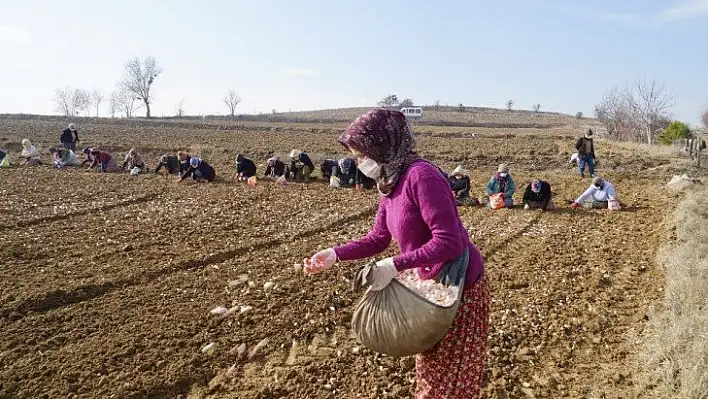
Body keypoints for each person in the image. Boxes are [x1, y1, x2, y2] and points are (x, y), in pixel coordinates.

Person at [303, 109, 489, 398]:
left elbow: (449, 241)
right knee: (430, 370)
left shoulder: (421, 176)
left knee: (451, 383)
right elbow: (378, 238)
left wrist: (394, 264)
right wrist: (334, 254)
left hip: (459, 286)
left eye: (362, 154)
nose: (359, 162)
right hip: (428, 286)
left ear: (382, 145)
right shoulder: (389, 181)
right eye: (355, 156)